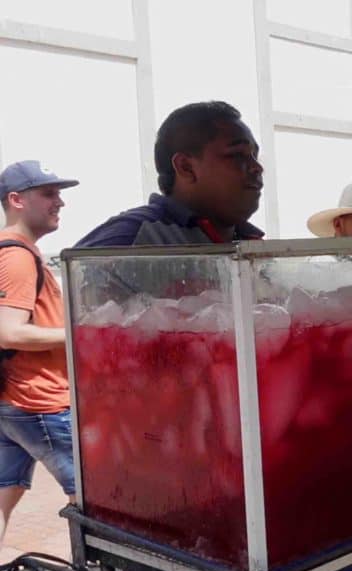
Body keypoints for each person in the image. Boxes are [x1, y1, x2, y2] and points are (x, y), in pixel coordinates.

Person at [0, 160, 79, 548]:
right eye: (48, 194)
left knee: (4, 492)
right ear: (16, 199)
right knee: (93, 497)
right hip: (41, 402)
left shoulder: (20, 251)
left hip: (15, 402)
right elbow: (8, 332)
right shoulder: (16, 256)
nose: (59, 201)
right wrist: (80, 334)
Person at [77, 101, 264, 248]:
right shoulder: (135, 239)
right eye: (237, 155)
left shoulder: (252, 243)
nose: (257, 168)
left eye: (255, 156)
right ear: (185, 167)